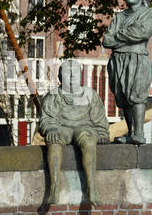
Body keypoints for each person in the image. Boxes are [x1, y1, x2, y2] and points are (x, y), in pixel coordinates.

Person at [38, 59, 110, 205]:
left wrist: (102, 133)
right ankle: (54, 187)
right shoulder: (53, 96)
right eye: (67, 74)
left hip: (84, 127)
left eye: (75, 74)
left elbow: (99, 119)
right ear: (60, 77)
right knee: (55, 140)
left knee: (89, 141)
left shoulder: (90, 95)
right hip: (61, 127)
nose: (71, 78)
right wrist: (51, 129)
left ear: (81, 75)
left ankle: (92, 188)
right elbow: (46, 118)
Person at [102, 0, 152, 145]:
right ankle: (130, 132)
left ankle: (139, 133)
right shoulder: (119, 17)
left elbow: (142, 33)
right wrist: (126, 36)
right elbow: (106, 40)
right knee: (122, 97)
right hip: (117, 60)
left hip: (137, 58)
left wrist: (118, 36)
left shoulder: (148, 13)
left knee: (136, 95)